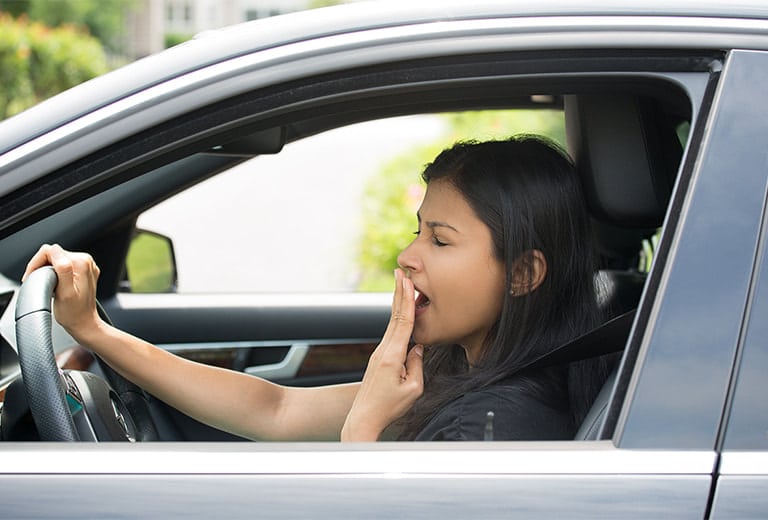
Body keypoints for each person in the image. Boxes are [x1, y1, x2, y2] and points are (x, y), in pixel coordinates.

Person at [23, 135, 609, 442]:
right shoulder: (461, 371)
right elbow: (275, 409)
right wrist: (95, 331)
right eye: (416, 232)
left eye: (441, 240)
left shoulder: (498, 429)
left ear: (523, 274)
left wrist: (364, 427)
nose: (407, 257)